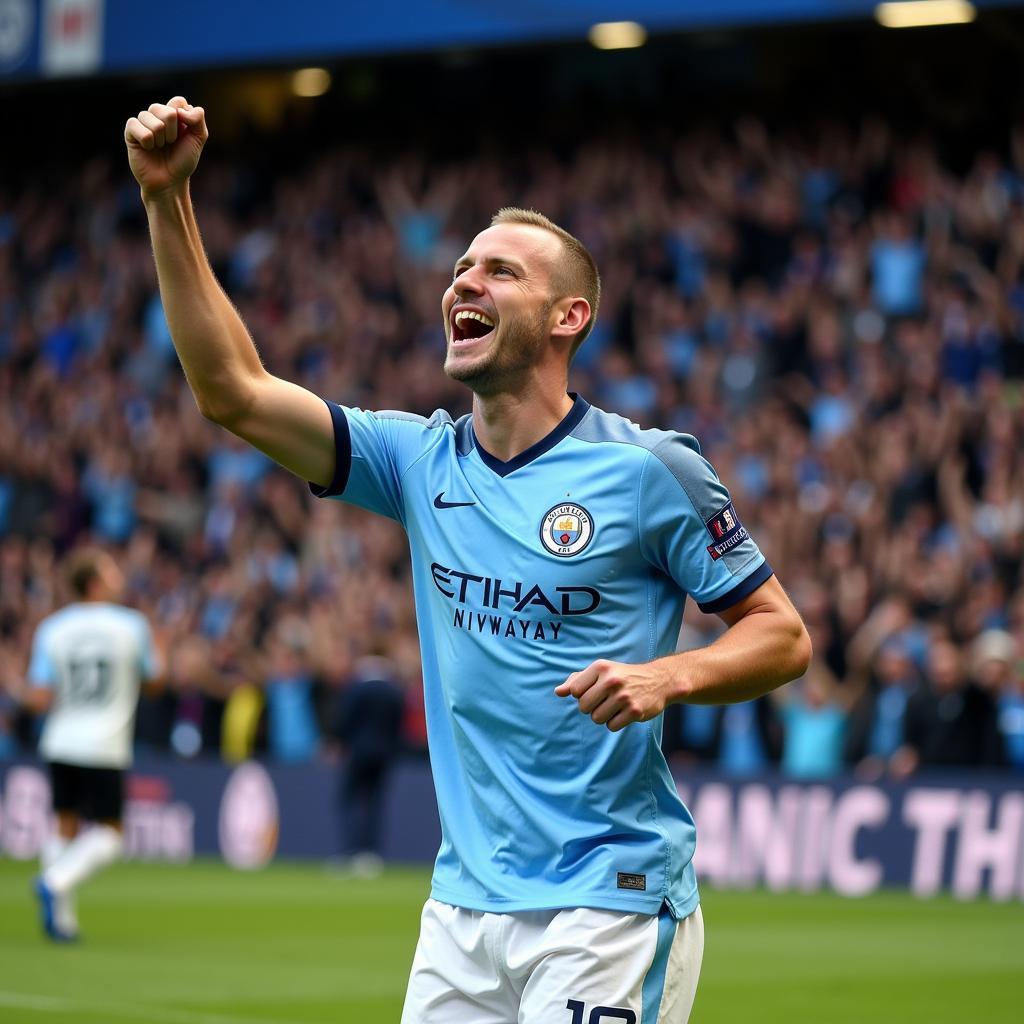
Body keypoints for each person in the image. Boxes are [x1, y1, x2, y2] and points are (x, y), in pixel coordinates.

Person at [125, 97, 811, 1023]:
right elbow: (233, 393)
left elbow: (783, 636)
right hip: (462, 909)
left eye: (500, 270)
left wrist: (670, 675)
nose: (465, 283)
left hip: (608, 897)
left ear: (569, 316)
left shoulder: (650, 471)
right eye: (460, 269)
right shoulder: (417, 460)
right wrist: (167, 200)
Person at [19, 547, 161, 942]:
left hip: (60, 739)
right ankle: (55, 881)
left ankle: (62, 921)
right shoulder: (132, 625)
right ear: (95, 582)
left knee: (64, 825)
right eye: (111, 570)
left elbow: (41, 697)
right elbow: (155, 681)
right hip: (104, 743)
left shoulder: (52, 628)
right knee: (111, 834)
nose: (119, 575)